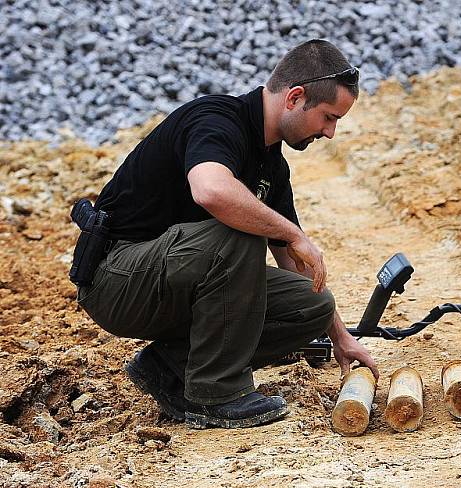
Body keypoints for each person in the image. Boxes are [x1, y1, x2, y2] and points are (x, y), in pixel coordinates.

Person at [75, 39, 379, 429]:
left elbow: (293, 260)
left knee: (311, 305)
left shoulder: (272, 164)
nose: (331, 132)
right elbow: (211, 190)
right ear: (295, 97)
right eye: (328, 117)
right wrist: (289, 231)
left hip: (168, 283)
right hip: (115, 281)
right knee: (239, 230)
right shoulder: (217, 120)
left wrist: (340, 337)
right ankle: (214, 395)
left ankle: (170, 367)